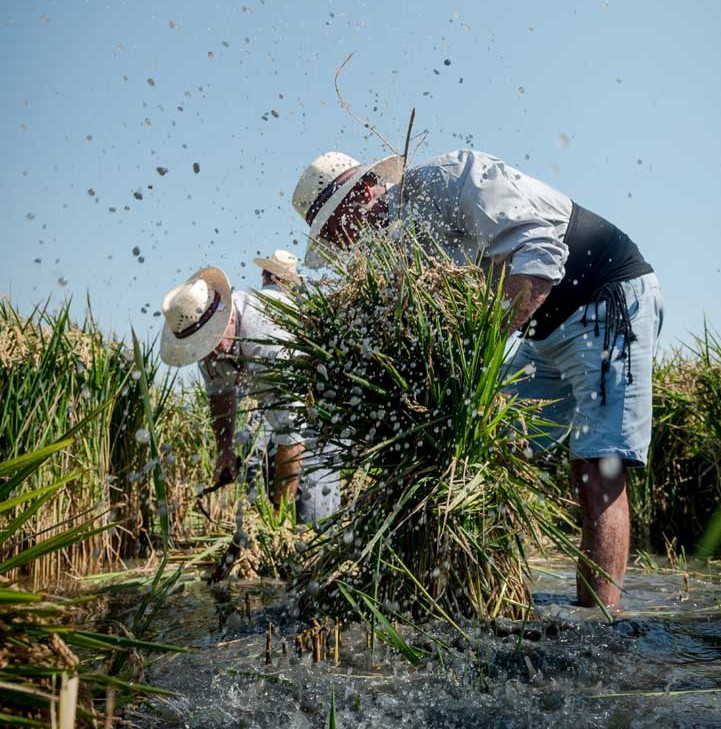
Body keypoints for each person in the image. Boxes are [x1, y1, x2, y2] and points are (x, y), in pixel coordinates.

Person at [291, 149, 664, 608]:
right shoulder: (401, 248)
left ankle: (600, 622)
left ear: (363, 190)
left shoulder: (446, 179)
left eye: (335, 227)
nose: (343, 244)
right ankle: (489, 596)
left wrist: (478, 356)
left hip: (604, 299)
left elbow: (541, 253)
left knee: (597, 469)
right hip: (542, 333)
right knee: (487, 450)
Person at [159, 263, 339, 524]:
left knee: (310, 512)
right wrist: (224, 450)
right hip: (283, 414)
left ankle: (313, 536)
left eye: (212, 341)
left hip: (322, 409)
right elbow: (220, 393)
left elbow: (292, 434)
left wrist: (278, 522)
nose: (210, 354)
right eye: (201, 347)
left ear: (229, 318)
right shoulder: (210, 350)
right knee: (267, 473)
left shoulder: (267, 338)